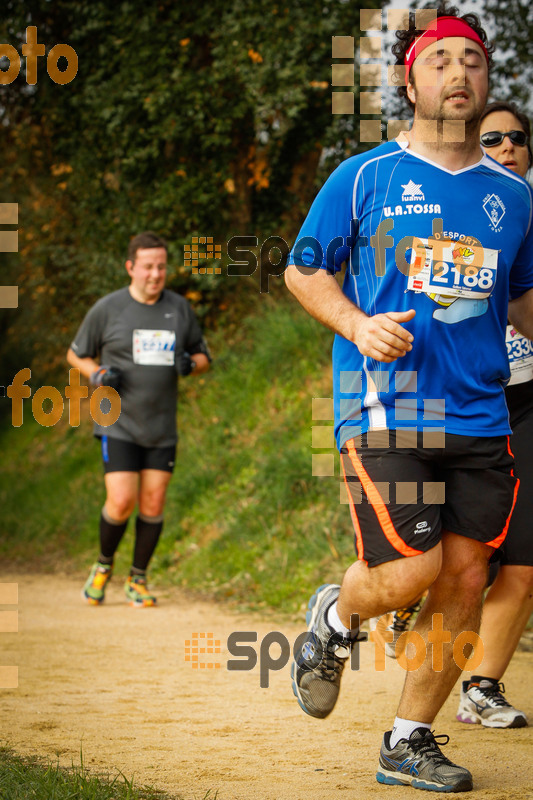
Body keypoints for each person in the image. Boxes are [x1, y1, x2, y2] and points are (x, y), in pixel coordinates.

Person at [285, 4, 533, 793]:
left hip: (482, 413)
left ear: (487, 77)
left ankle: (407, 739)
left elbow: (523, 301)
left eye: (471, 60)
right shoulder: (363, 176)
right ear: (410, 78)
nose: (457, 73)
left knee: (465, 580)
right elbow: (303, 269)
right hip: (388, 407)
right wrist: (356, 323)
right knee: (407, 573)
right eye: (439, 61)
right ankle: (335, 613)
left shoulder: (513, 197)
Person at [380, 101, 533, 731]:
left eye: (516, 138)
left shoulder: (520, 209)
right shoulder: (429, 197)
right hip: (432, 400)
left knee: (518, 563)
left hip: (520, 401)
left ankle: (480, 686)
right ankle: (393, 602)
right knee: (435, 562)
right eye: (490, 136)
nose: (503, 146)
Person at [67, 231, 210, 608]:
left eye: (161, 266)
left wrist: (189, 365)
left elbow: (203, 356)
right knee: (120, 501)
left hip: (161, 426)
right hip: (118, 421)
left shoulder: (179, 309)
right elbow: (75, 354)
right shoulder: (108, 309)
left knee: (153, 501)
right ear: (131, 267)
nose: (155, 274)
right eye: (147, 266)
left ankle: (138, 579)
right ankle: (102, 566)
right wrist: (97, 375)